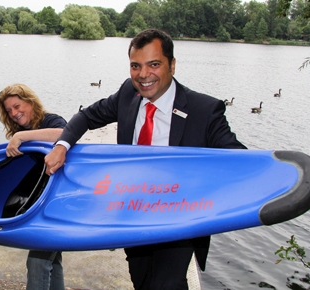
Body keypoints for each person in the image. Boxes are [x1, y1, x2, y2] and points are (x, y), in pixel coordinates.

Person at [44, 29, 247, 290]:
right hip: (133, 212)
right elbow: (86, 117)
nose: (143, 75)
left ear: (172, 65)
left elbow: (239, 160)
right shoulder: (128, 93)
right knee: (142, 282)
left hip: (180, 219)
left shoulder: (205, 110)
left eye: (154, 64)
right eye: (135, 66)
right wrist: (62, 145)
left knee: (166, 284)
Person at [0, 83, 66, 290]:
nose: (14, 113)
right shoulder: (21, 131)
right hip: (38, 205)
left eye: (17, 106)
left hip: (56, 203)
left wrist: (21, 137)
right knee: (52, 259)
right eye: (9, 111)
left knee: (37, 261)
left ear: (30, 101)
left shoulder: (49, 120)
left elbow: (64, 134)